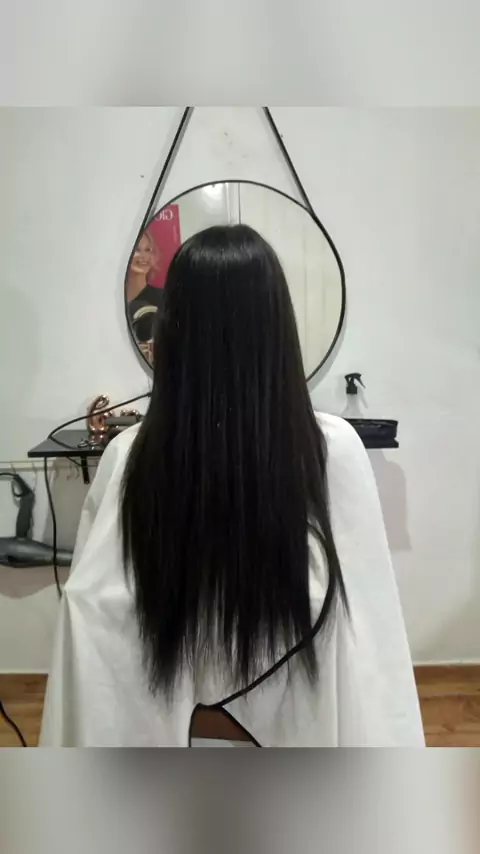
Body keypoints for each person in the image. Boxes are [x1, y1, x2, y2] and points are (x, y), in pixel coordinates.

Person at [41, 225, 424, 747]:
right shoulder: (332, 446)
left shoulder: (130, 451)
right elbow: (373, 636)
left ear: (173, 328)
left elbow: (94, 619)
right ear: (278, 326)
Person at [126, 230, 163, 361]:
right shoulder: (108, 301)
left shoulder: (163, 299)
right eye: (137, 250)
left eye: (148, 250)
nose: (144, 256)